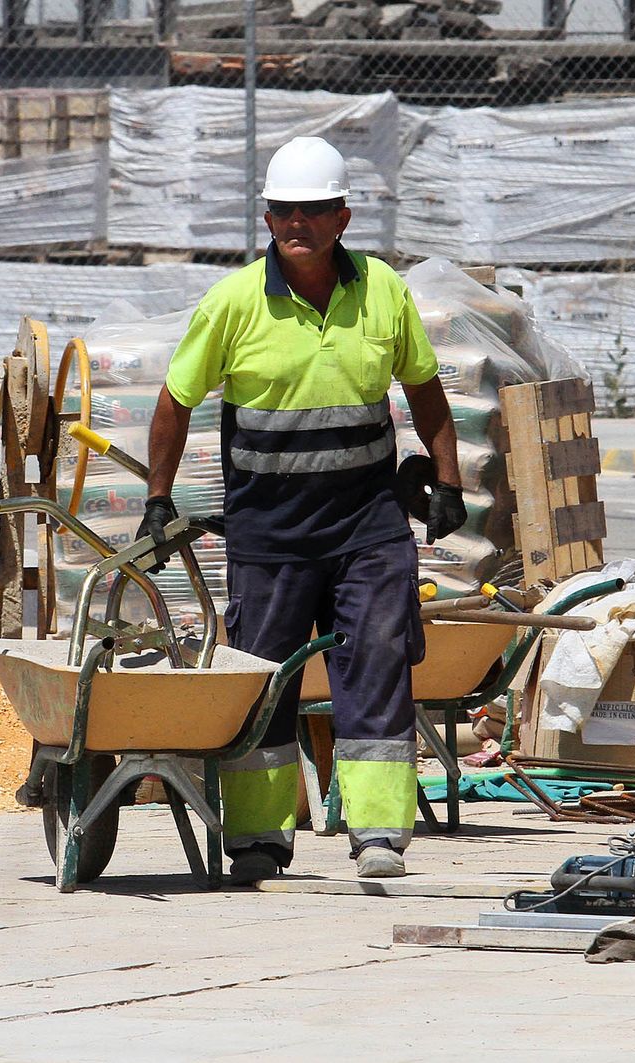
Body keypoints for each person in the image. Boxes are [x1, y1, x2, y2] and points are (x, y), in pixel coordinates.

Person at [141, 137, 466, 883]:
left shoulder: (383, 290)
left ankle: (379, 829)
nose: (298, 224)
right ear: (266, 216)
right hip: (270, 534)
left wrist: (446, 479)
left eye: (314, 211)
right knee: (264, 679)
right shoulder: (233, 302)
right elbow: (175, 402)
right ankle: (259, 836)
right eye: (284, 211)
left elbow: (424, 390)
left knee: (378, 664)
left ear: (342, 216)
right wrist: (158, 499)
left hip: (368, 527)